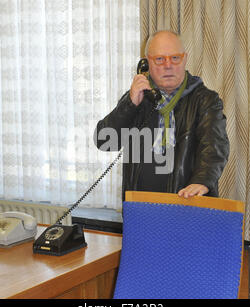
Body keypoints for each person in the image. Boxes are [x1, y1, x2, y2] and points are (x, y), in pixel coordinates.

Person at [94, 30, 229, 200]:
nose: (168, 65)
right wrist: (130, 105)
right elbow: (104, 142)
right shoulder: (138, 97)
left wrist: (202, 181)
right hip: (140, 209)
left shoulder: (205, 100)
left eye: (175, 58)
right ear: (146, 62)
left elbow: (214, 147)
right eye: (159, 59)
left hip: (186, 205)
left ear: (185, 59)